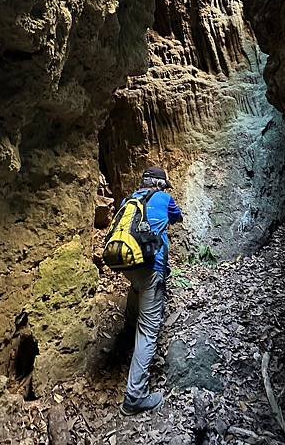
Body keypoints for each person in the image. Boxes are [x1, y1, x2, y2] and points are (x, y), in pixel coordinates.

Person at [119, 167, 183, 416]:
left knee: (137, 287)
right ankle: (134, 397)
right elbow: (177, 217)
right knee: (149, 328)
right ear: (160, 185)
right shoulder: (164, 199)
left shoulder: (129, 200)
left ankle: (127, 331)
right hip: (150, 267)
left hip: (127, 263)